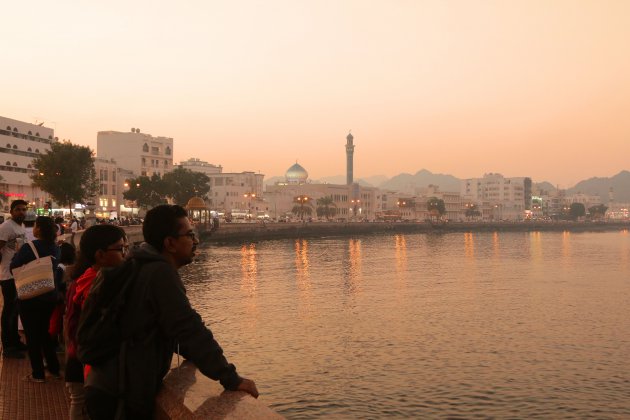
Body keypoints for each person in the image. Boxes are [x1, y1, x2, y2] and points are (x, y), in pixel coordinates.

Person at [83, 204, 258, 419]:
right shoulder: (159, 273)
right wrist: (231, 378)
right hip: (119, 394)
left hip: (104, 386)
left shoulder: (138, 265)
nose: (196, 241)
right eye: (190, 234)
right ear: (170, 243)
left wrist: (191, 353)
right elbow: (188, 327)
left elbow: (170, 324)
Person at [65, 225, 127, 420]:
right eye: (120, 249)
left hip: (76, 355)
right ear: (100, 255)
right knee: (80, 402)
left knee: (78, 401)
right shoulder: (95, 285)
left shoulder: (82, 278)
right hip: (88, 361)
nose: (126, 255)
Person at [10, 216, 61, 382]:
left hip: (30, 296)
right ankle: (54, 368)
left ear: (38, 229)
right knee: (44, 332)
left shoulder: (28, 246)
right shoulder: (55, 248)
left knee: (32, 336)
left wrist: (17, 255)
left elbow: (14, 268)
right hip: (49, 295)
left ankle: (38, 373)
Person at [0, 199, 28, 358]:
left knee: (15, 309)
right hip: (8, 275)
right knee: (9, 311)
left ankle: (15, 341)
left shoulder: (20, 226)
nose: (21, 212)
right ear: (11, 211)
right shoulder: (6, 227)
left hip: (19, 273)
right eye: (18, 209)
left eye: (24, 209)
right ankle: (8, 346)